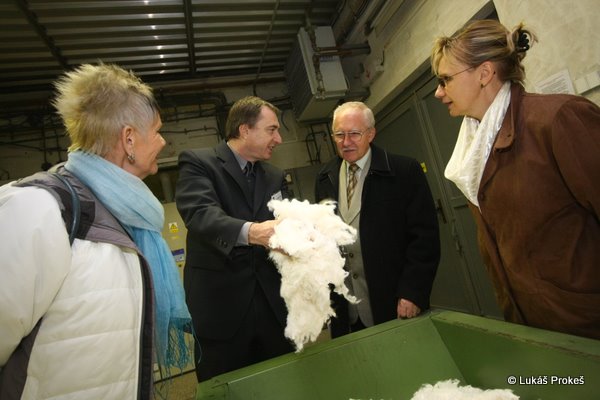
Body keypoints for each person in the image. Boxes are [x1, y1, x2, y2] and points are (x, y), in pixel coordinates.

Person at [0, 63, 192, 398]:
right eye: (157, 131)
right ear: (129, 139)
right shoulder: (39, 210)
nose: (163, 142)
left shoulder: (127, 214)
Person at [431, 19, 600, 340]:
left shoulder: (558, 119)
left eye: (445, 79)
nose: (439, 92)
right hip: (532, 326)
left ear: (484, 73)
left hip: (584, 325)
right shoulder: (472, 151)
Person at [175, 96, 294, 382]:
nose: (278, 139)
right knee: (224, 387)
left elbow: (288, 221)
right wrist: (252, 232)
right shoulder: (199, 163)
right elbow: (200, 214)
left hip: (272, 310)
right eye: (272, 130)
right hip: (221, 310)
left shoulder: (275, 175)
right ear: (245, 130)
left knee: (281, 383)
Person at [314, 101, 441, 338]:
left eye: (354, 134)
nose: (346, 142)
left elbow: (425, 238)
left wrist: (412, 292)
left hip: (393, 302)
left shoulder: (403, 171)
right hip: (346, 310)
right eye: (339, 135)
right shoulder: (324, 178)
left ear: (371, 134)